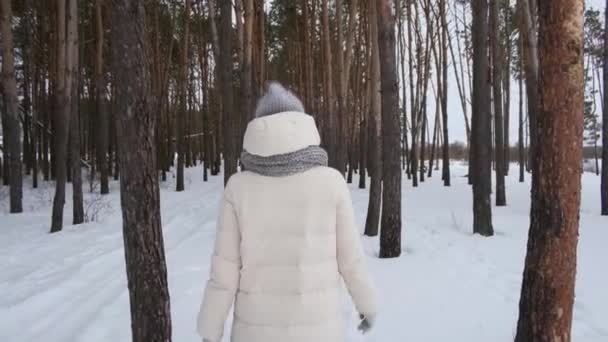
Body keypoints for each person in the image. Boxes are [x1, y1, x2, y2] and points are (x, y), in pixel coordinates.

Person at [197, 82, 378, 342]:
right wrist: (367, 305)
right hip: (320, 331)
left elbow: (224, 271)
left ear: (258, 129)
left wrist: (210, 330)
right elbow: (351, 259)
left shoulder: (238, 187)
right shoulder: (331, 182)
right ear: (302, 124)